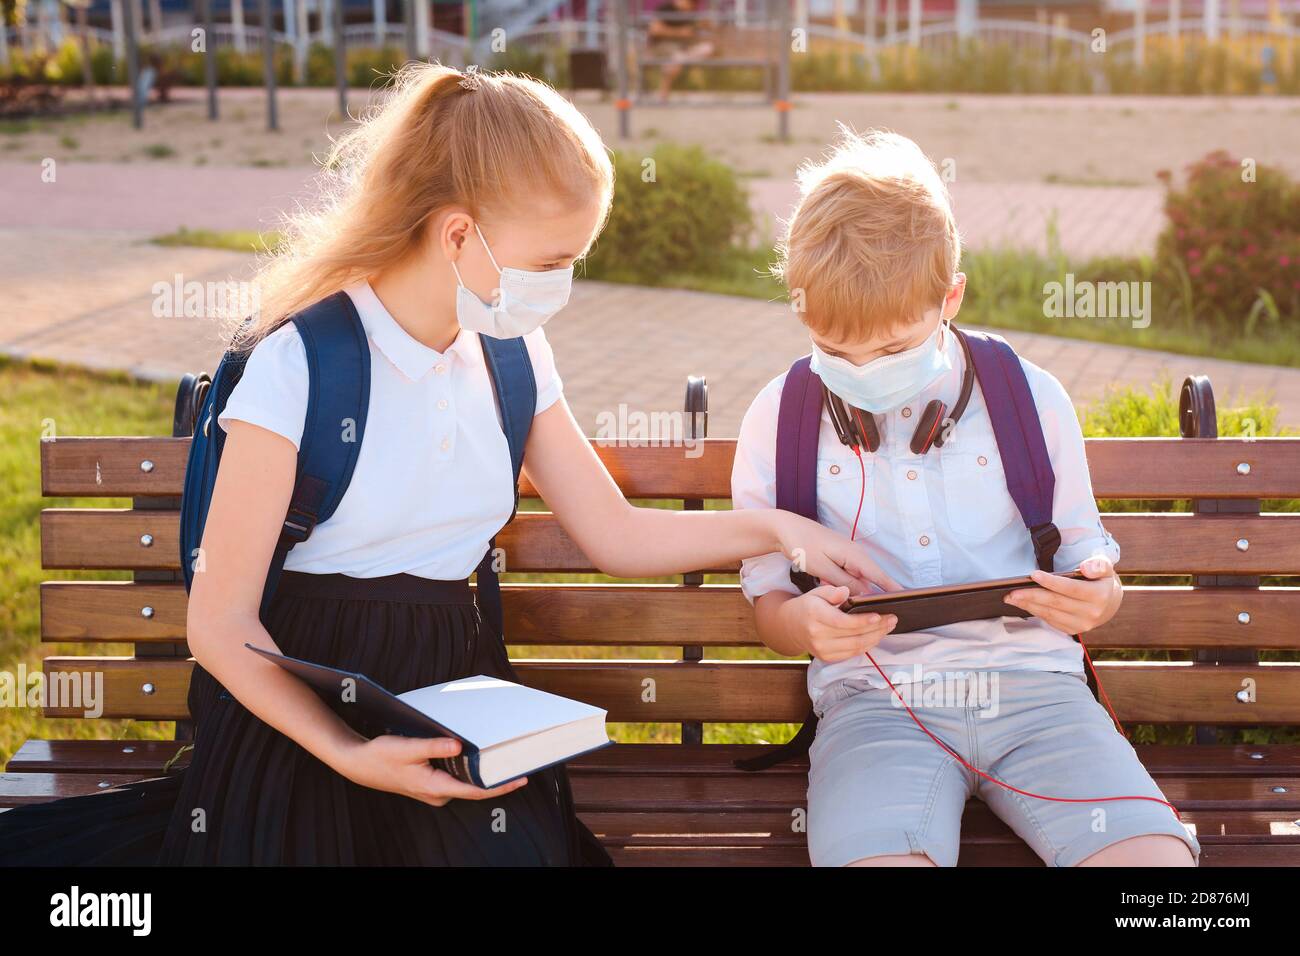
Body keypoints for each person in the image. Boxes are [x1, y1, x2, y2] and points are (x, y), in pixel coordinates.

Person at [0, 67, 894, 867]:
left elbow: (615, 532)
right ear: (459, 234)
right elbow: (221, 625)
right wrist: (350, 752)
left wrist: (782, 528)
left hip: (448, 690)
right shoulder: (302, 362)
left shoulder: (514, 357)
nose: (561, 287)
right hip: (300, 697)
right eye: (552, 262)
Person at [730, 129, 1200, 868]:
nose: (862, 372)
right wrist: (803, 626)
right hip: (875, 707)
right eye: (835, 350)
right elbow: (769, 607)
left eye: (892, 350)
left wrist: (1097, 601)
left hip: (1041, 699)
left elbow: (1090, 567)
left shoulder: (1031, 398)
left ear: (950, 297)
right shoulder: (778, 416)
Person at [647, 0, 716, 101]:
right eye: (690, 2)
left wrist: (704, 26)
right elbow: (654, 30)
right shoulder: (667, 9)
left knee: (706, 49)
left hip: (682, 49)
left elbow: (693, 34)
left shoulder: (690, 13)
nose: (692, 6)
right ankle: (663, 93)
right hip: (661, 47)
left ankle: (683, 85)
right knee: (678, 58)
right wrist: (679, 33)